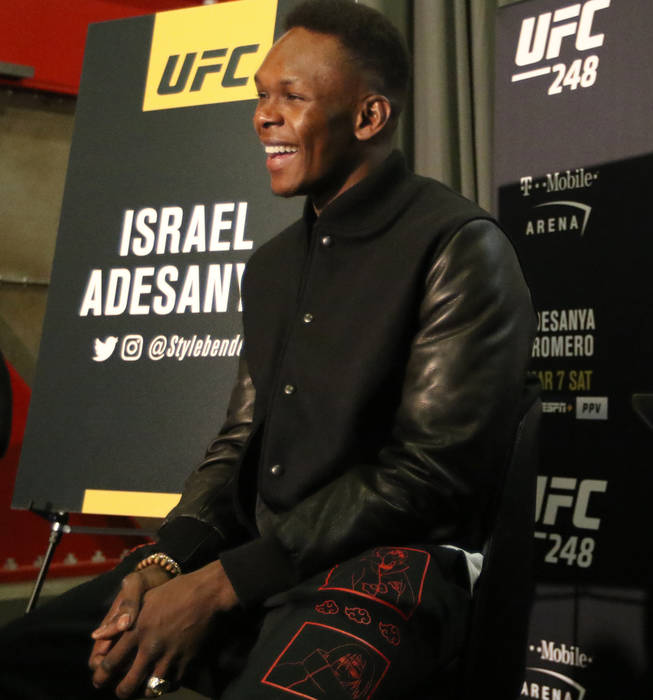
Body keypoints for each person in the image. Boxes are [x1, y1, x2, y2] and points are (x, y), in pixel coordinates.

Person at [0, 2, 534, 698]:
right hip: (256, 567)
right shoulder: (273, 266)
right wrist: (166, 562)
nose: (263, 116)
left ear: (369, 118)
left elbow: (428, 475)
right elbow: (241, 443)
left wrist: (222, 584)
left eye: (292, 97)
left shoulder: (459, 248)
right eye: (260, 96)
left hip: (393, 569)